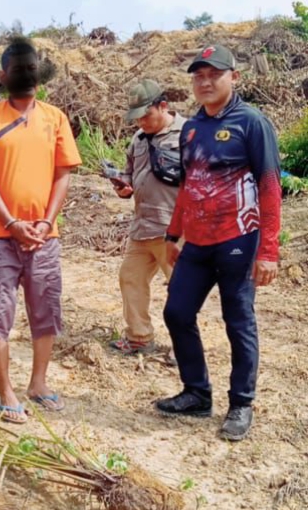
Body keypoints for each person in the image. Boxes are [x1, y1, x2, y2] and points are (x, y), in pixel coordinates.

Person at [155, 44, 281, 441]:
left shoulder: (252, 123)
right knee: (176, 312)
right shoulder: (191, 128)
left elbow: (270, 187)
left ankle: (241, 404)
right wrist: (174, 235)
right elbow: (189, 187)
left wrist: (269, 251)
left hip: (238, 240)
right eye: (198, 75)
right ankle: (196, 393)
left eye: (214, 74)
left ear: (234, 77)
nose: (205, 81)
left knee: (238, 321)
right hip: (199, 243)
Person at [0, 37, 81, 424]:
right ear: (3, 75)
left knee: (44, 309)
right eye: (17, 68)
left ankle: (38, 382)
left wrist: (46, 222)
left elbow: (63, 174)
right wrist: (12, 224)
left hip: (44, 237)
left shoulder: (55, 118)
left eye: (31, 67)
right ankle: (5, 389)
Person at [108, 79, 185, 362]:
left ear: (163, 106)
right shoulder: (138, 139)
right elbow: (130, 172)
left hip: (174, 230)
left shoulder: (187, 134)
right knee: (130, 278)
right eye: (137, 117)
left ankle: (184, 346)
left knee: (180, 288)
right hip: (142, 228)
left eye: (146, 115)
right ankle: (139, 337)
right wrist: (123, 186)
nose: (141, 122)